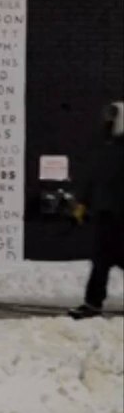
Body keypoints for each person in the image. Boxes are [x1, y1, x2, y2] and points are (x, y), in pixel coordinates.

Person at [68, 100, 124, 319]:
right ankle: (92, 304)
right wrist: (83, 202)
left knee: (106, 259)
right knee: (101, 260)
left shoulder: (112, 150)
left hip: (117, 214)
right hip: (106, 214)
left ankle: (92, 304)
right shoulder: (107, 149)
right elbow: (95, 178)